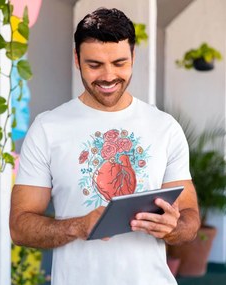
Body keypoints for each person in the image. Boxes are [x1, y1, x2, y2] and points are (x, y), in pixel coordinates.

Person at [10, 7, 200, 285]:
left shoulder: (165, 127)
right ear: (77, 59)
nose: (109, 76)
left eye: (120, 63)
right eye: (95, 65)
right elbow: (20, 227)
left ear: (133, 57)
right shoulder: (47, 128)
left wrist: (173, 227)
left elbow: (190, 219)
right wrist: (79, 226)